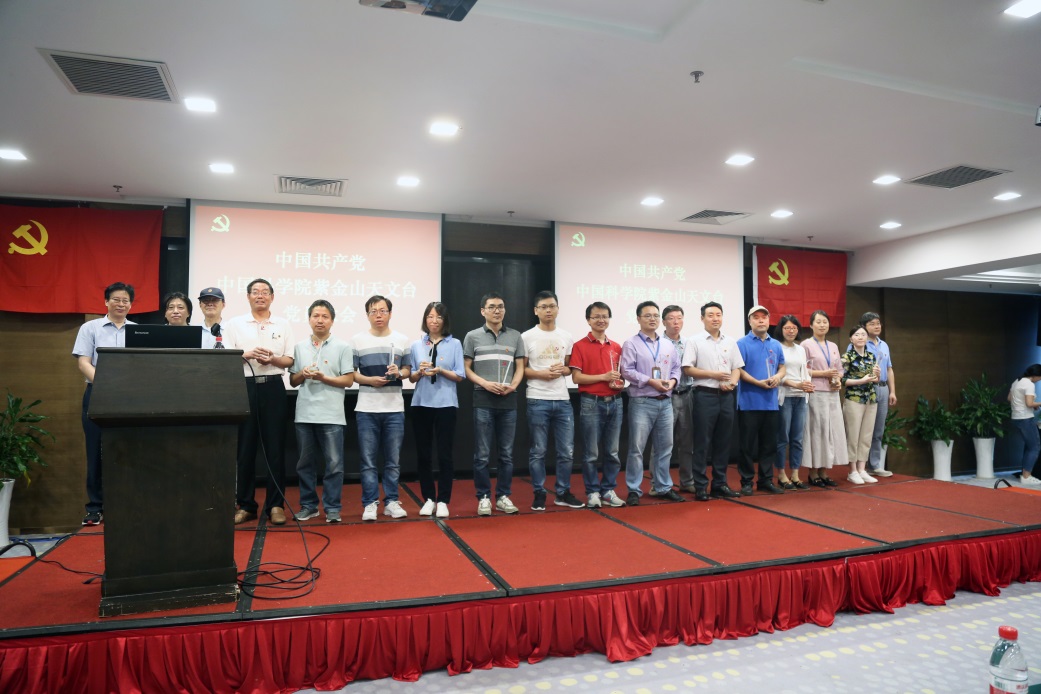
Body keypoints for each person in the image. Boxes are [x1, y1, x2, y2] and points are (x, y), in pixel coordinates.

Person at [224, 278, 295, 525]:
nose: (260, 296)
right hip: (244, 387)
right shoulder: (234, 324)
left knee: (275, 449)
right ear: (248, 297)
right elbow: (226, 358)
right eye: (255, 292)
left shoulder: (283, 324)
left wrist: (272, 359)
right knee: (245, 449)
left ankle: (275, 505)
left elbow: (289, 360)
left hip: (273, 387)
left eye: (265, 292)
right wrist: (246, 355)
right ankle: (246, 505)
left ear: (272, 297)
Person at [71, 281, 135, 526]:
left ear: (131, 305)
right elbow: (83, 363)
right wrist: (107, 385)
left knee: (128, 449)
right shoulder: (90, 328)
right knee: (95, 449)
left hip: (130, 397)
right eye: (116, 299)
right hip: (97, 394)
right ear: (106, 301)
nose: (121, 304)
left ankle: (124, 503)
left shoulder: (138, 330)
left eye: (125, 300)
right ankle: (95, 507)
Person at [288, 300, 355, 523]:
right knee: (304, 464)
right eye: (315, 316)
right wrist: (303, 373)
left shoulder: (343, 346)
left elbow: (348, 380)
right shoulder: (299, 347)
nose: (320, 320)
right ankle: (309, 506)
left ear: (332, 321)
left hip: (332, 414)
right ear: (309, 319)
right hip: (305, 413)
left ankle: (332, 508)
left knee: (334, 465)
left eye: (325, 316)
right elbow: (293, 380)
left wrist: (324, 378)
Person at [463, 292, 525, 516]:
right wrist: (485, 383)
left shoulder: (515, 336)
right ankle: (483, 497)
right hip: (483, 399)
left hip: (508, 400)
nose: (497, 310)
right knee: (482, 454)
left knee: (506, 454)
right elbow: (466, 368)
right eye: (492, 307)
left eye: (500, 306)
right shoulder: (472, 336)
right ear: (483, 311)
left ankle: (503, 496)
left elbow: (520, 367)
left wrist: (513, 385)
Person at [351, 295, 411, 521]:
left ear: (390, 314)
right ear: (367, 315)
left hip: (394, 409)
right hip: (367, 408)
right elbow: (352, 373)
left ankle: (392, 501)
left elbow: (408, 370)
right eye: (373, 311)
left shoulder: (402, 339)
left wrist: (399, 373)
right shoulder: (357, 340)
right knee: (368, 461)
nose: (378, 315)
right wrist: (369, 380)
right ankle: (370, 503)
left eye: (383, 311)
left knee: (393, 461)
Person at [619, 301, 685, 506]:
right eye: (647, 315)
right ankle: (633, 489)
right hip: (642, 401)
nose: (652, 319)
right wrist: (650, 381)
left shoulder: (667, 344)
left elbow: (676, 368)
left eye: (656, 315)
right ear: (638, 319)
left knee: (665, 448)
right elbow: (626, 371)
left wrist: (673, 382)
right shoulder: (631, 343)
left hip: (665, 402)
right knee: (637, 449)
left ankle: (663, 487)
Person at [522, 291, 582, 510]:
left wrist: (563, 370)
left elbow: (569, 367)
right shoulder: (527, 336)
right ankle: (539, 493)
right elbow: (521, 370)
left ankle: (563, 492)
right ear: (535, 311)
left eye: (552, 306)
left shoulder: (566, 336)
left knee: (566, 451)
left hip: (563, 399)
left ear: (558, 309)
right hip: (537, 399)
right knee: (538, 451)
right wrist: (541, 374)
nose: (548, 310)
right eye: (544, 307)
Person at [409, 301, 466, 518]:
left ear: (445, 320)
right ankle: (428, 499)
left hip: (446, 404)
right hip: (421, 403)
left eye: (438, 317)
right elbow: (411, 377)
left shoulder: (455, 343)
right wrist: (419, 372)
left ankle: (443, 500)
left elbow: (460, 375)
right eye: (430, 317)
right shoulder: (417, 345)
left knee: (444, 454)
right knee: (423, 454)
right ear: (425, 320)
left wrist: (440, 370)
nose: (434, 321)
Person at [682, 301, 744, 501]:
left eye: (718, 315)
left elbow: (737, 368)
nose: (715, 318)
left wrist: (732, 383)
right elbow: (687, 369)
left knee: (723, 442)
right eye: (710, 315)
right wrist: (713, 375)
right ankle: (700, 486)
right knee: (702, 442)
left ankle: (719, 484)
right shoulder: (694, 341)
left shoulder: (730, 341)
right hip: (704, 395)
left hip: (726, 396)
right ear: (702, 318)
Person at [568, 301, 626, 508]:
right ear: (588, 320)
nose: (601, 320)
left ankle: (608, 490)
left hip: (616, 402)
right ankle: (592, 492)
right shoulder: (579, 346)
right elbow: (576, 378)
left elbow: (620, 375)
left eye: (605, 316)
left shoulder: (616, 347)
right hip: (591, 403)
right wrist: (603, 377)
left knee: (613, 452)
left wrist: (619, 381)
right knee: (591, 453)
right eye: (596, 317)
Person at [736, 305, 786, 495]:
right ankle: (746, 481)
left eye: (764, 317)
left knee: (769, 445)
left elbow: (782, 367)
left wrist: (778, 377)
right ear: (750, 321)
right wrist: (757, 382)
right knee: (747, 446)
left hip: (771, 403)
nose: (760, 320)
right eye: (756, 317)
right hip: (748, 402)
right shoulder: (741, 343)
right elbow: (738, 370)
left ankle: (765, 480)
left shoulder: (776, 344)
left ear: (769, 320)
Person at [802, 310, 848, 487]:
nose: (822, 325)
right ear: (811, 325)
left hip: (832, 394)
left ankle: (824, 471)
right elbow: (802, 369)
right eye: (818, 322)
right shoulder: (806, 345)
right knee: (817, 431)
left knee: (831, 432)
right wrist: (824, 374)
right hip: (816, 392)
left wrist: (838, 380)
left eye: (825, 322)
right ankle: (813, 472)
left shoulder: (833, 345)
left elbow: (840, 369)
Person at [775, 315, 813, 490]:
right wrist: (796, 384)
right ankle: (781, 474)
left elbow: (804, 371)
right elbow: (777, 374)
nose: (791, 331)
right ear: (781, 330)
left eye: (794, 328)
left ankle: (795, 474)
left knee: (797, 438)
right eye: (787, 328)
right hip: (785, 396)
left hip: (801, 397)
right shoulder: (777, 347)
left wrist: (807, 384)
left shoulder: (800, 349)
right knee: (783, 437)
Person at [662, 305, 696, 494]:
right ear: (664, 322)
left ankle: (687, 481)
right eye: (671, 318)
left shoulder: (689, 343)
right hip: (666, 396)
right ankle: (658, 483)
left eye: (679, 318)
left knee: (687, 443)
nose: (676, 322)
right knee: (663, 443)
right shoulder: (658, 343)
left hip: (688, 394)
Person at [841, 325, 880, 485]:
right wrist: (861, 381)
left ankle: (862, 469)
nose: (860, 337)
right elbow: (841, 380)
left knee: (866, 435)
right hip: (854, 399)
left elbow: (875, 379)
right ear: (851, 339)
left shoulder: (871, 356)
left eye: (863, 334)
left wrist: (876, 376)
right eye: (857, 335)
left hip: (870, 398)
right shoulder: (847, 357)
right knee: (853, 436)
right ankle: (852, 471)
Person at [861, 312, 897, 477]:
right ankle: (860, 467)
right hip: (866, 388)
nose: (877, 326)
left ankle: (874, 465)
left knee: (878, 429)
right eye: (872, 324)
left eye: (878, 323)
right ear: (864, 326)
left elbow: (889, 369)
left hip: (883, 388)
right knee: (865, 428)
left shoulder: (884, 345)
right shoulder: (860, 342)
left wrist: (892, 391)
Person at [1007, 364, 1041, 487]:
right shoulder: (1029, 384)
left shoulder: (1017, 381)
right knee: (1035, 447)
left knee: (1029, 446)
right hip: (1025, 418)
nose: (1040, 380)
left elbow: (1009, 398)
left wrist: (1029, 404)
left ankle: (1025, 474)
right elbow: (1029, 403)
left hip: (1017, 417)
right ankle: (1026, 476)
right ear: (1036, 375)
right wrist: (1038, 403)